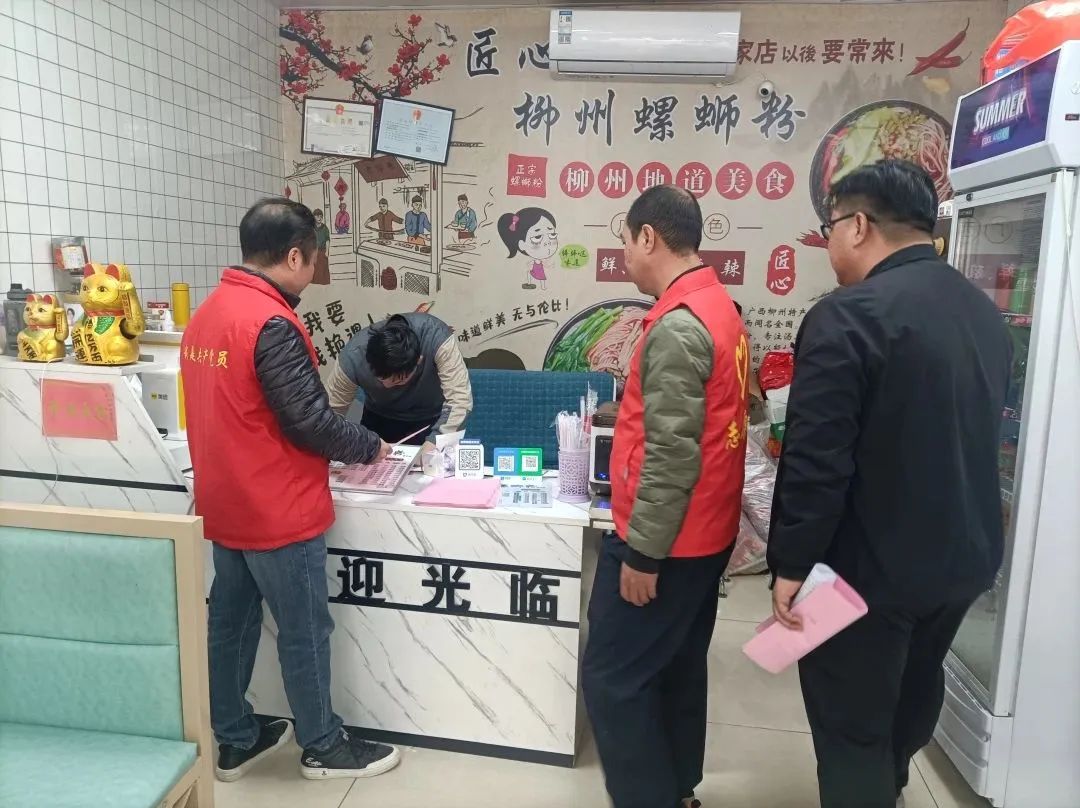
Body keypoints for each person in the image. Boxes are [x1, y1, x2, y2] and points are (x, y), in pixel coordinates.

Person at [767, 160, 1011, 808]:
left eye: (829, 229)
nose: (829, 246)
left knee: (851, 727)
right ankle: (893, 783)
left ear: (857, 225)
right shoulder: (981, 313)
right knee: (912, 691)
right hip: (962, 561)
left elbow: (818, 460)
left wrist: (792, 563)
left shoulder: (848, 316)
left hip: (863, 571)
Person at [181, 198, 402, 783]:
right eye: (317, 257)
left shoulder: (208, 314)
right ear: (296, 255)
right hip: (277, 509)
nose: (317, 267)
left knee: (230, 625)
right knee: (304, 631)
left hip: (225, 504)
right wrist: (371, 446)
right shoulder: (270, 322)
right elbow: (309, 421)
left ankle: (235, 738)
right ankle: (323, 745)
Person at [582, 185, 749, 808]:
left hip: (667, 543)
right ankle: (678, 789)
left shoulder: (679, 326)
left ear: (648, 237)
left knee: (612, 679)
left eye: (626, 241)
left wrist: (643, 555)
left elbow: (671, 452)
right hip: (705, 531)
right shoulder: (717, 306)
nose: (624, 254)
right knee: (676, 666)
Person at [326, 311, 472, 454]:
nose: (388, 385)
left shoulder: (436, 337)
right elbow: (329, 414)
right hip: (379, 420)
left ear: (419, 361)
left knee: (431, 465)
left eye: (399, 380)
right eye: (381, 379)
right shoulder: (353, 357)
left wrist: (435, 443)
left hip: (432, 419)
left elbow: (459, 400)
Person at [497, 207, 558, 291]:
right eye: (537, 237)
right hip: (536, 270)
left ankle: (541, 287)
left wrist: (549, 265)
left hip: (539, 271)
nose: (547, 242)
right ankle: (531, 284)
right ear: (522, 244)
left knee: (541, 277)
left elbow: (544, 264)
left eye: (552, 235)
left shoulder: (541, 260)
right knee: (533, 274)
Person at [311, 207, 331, 285]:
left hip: (322, 251)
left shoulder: (325, 228)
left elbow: (327, 240)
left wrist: (327, 251)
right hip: (314, 251)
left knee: (323, 269)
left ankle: (324, 285)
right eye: (317, 216)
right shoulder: (311, 228)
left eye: (321, 216)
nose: (319, 218)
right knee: (314, 269)